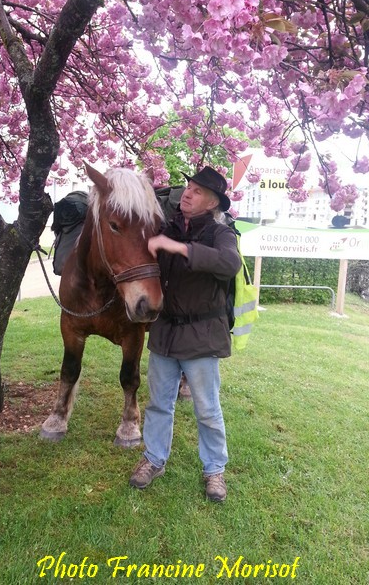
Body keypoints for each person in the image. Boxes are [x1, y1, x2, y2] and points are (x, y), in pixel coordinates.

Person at [129, 166, 241, 502]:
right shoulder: (169, 226)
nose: (187, 194)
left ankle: (214, 470)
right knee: (159, 405)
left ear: (211, 204)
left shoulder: (221, 234)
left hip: (202, 336)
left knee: (207, 409)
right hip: (165, 333)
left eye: (197, 191)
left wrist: (178, 249)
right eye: (188, 187)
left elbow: (229, 264)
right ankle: (153, 459)